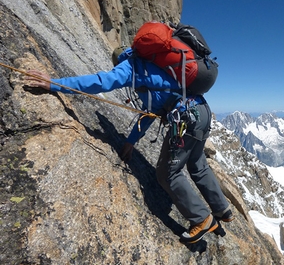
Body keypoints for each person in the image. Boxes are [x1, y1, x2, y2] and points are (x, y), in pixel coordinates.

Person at [26, 47, 233, 243]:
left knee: (167, 173)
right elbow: (150, 112)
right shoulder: (154, 68)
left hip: (186, 118)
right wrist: (131, 141)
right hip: (202, 112)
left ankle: (201, 218)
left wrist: (55, 83)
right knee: (197, 162)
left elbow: (100, 81)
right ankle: (222, 209)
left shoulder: (131, 66)